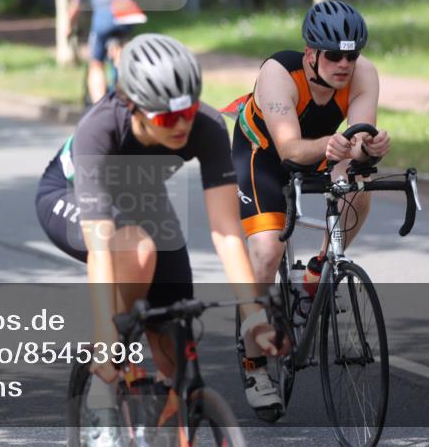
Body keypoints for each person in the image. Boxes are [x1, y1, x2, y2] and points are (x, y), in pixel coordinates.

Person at [36, 33, 285, 444]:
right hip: (68, 196)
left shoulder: (206, 126)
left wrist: (254, 316)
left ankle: (166, 425)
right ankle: (102, 391)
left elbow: (227, 231)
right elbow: (100, 248)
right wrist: (106, 332)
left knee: (174, 326)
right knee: (137, 251)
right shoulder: (100, 128)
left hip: (144, 199)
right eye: (168, 120)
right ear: (132, 105)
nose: (182, 125)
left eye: (187, 112)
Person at [222, 0, 391, 419]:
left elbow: (356, 145)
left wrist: (370, 149)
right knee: (267, 252)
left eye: (352, 55)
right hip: (264, 154)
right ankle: (254, 364)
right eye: (333, 55)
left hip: (321, 148)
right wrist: (338, 147)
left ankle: (317, 269)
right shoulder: (278, 74)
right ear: (311, 53)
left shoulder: (364, 74)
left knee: (357, 185)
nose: (344, 64)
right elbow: (290, 150)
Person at [68, 0, 147, 105]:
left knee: (96, 63)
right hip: (127, 16)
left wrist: (68, 27)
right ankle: (127, 97)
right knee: (123, 57)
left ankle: (100, 107)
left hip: (104, 18)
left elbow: (74, 7)